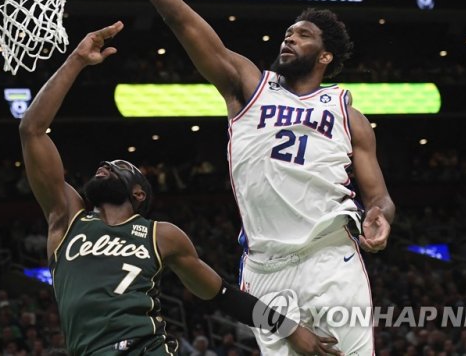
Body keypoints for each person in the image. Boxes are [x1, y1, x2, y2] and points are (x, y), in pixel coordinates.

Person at [96, 0, 395, 356]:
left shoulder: (347, 112)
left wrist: (380, 216)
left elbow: (377, 196)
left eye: (301, 36)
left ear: (324, 57)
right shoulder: (248, 85)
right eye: (288, 32)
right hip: (265, 268)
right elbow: (181, 17)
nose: (288, 39)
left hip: (329, 255)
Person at [19, 22, 341, 356]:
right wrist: (77, 60)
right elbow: (32, 130)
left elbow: (222, 294)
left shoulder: (161, 236)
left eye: (119, 167)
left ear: (138, 194)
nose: (105, 166)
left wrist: (287, 327)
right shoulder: (68, 219)